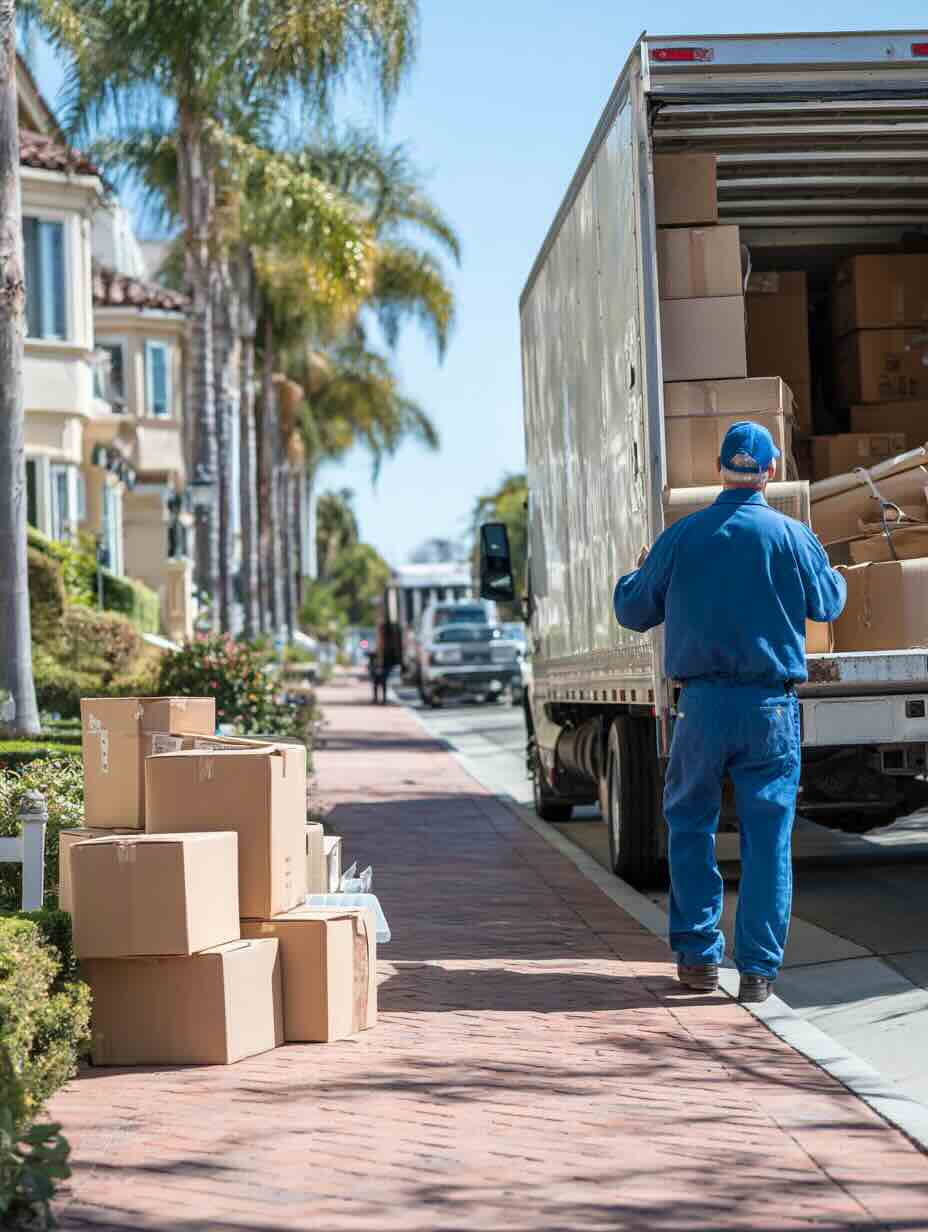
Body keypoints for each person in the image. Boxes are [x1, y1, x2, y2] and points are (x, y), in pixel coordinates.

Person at [613, 422, 846, 1003]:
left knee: (691, 825)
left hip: (701, 707)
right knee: (768, 837)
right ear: (771, 472)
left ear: (720, 470)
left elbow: (633, 609)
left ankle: (697, 960)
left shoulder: (681, 537)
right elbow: (827, 604)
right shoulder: (792, 536)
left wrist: (636, 570)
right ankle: (759, 973)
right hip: (769, 707)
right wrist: (832, 570)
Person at [370, 618, 401, 705]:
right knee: (378, 681)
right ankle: (378, 699)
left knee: (381, 680)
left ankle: (382, 699)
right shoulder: (383, 640)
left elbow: (383, 654)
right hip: (383, 664)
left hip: (385, 664)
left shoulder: (387, 642)